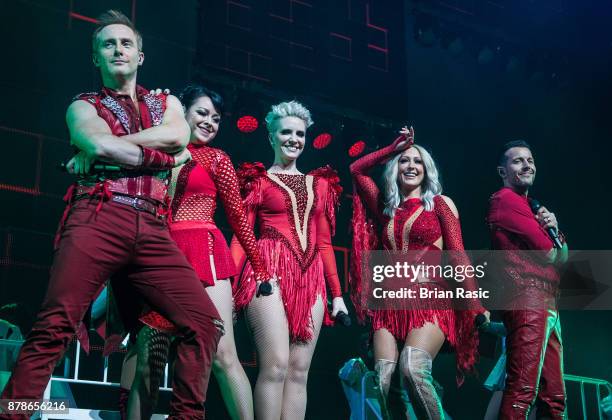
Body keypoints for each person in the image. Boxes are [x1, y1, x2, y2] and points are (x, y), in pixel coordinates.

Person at [0, 10, 222, 420]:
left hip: (153, 227)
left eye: (126, 44)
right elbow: (103, 144)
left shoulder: (167, 102)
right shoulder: (82, 105)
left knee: (204, 324)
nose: (117, 49)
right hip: (99, 215)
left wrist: (105, 147)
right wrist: (153, 156)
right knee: (55, 327)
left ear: (140, 56)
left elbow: (178, 137)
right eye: (108, 44)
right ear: (96, 58)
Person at [118, 84, 271, 419]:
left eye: (216, 119)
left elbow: (238, 219)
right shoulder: (157, 152)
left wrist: (260, 266)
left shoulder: (217, 158)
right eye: (202, 113)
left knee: (223, 355)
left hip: (206, 251)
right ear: (181, 111)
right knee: (149, 357)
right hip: (159, 253)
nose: (210, 122)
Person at [349, 127, 486, 419]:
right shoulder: (385, 208)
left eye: (417, 161)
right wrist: (393, 148)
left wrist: (475, 304)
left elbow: (458, 253)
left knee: (412, 369)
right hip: (390, 305)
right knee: (384, 381)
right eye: (404, 161)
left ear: (427, 170)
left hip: (430, 298)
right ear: (394, 169)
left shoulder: (440, 204)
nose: (411, 166)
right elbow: (357, 170)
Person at [230, 100, 349, 419]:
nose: (294, 139)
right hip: (266, 270)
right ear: (271, 136)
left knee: (298, 371)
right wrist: (227, 284)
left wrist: (337, 295)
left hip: (311, 278)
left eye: (300, 133)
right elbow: (242, 236)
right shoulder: (257, 180)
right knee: (277, 365)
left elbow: (325, 243)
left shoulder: (321, 184)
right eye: (286, 132)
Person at [488, 140, 568, 419]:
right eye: (518, 161)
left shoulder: (533, 209)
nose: (527, 165)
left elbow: (563, 257)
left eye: (530, 160)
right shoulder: (505, 200)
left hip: (547, 301)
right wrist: (553, 246)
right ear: (503, 171)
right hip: (526, 296)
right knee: (523, 389)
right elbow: (549, 255)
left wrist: (553, 228)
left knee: (554, 396)